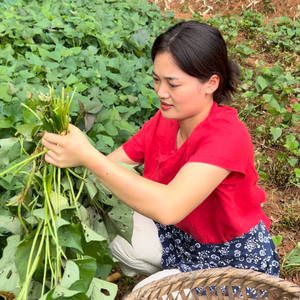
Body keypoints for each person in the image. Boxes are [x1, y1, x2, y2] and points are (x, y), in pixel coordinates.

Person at [42, 20, 280, 292]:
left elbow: (168, 207)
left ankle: (171, 285)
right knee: (104, 220)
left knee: (147, 294)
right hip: (180, 237)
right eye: (156, 79)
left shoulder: (227, 136)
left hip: (231, 261)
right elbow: (113, 166)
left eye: (173, 84)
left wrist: (87, 155)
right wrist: (69, 159)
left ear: (211, 83)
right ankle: (171, 277)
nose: (160, 92)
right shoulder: (165, 120)